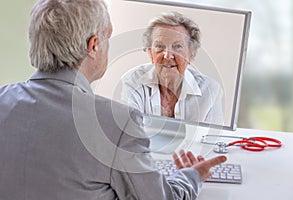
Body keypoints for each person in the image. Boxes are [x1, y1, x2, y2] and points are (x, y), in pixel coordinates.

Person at [0, 0, 226, 200]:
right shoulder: (115, 122)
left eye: (177, 47)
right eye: (109, 37)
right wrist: (192, 176)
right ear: (94, 45)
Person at [121, 11, 224, 124]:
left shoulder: (210, 90)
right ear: (150, 52)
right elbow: (130, 130)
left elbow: (212, 138)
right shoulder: (133, 80)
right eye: (160, 46)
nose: (168, 56)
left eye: (177, 47)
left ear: (191, 54)